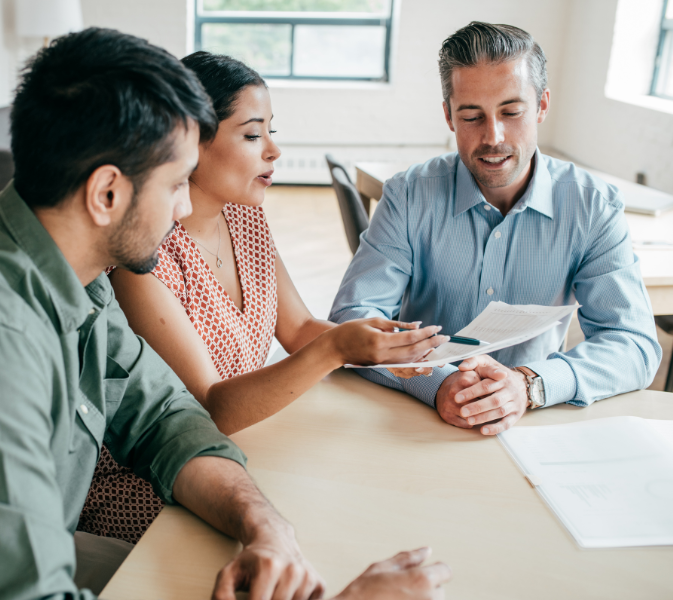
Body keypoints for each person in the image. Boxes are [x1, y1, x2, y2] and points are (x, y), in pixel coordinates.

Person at [0, 28, 452, 600]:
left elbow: (164, 420)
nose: (184, 207)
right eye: (177, 183)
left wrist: (264, 528)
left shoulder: (75, 278)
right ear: (106, 194)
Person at [79, 51, 447, 544]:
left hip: (249, 441)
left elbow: (296, 329)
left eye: (272, 130)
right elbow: (212, 411)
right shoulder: (141, 258)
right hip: (153, 476)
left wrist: (384, 342)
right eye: (253, 135)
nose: (273, 150)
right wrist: (337, 349)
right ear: (190, 144)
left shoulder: (245, 217)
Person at [329, 22, 662, 436]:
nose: (493, 137)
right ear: (449, 116)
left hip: (534, 422)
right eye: (472, 116)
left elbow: (633, 344)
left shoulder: (593, 206)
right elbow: (351, 319)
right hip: (413, 418)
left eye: (511, 112)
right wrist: (438, 383)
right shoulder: (410, 194)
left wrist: (529, 383)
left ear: (541, 106)